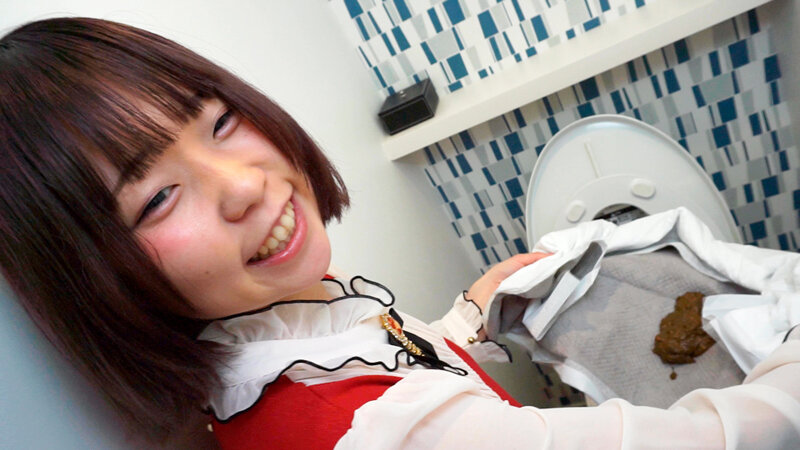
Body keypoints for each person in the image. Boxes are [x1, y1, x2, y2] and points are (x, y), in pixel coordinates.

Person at [0, 17, 797, 449]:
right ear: (91, 275)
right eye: (157, 199)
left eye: (220, 121)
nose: (245, 185)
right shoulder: (381, 433)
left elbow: (380, 355)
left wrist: (468, 315)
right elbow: (726, 437)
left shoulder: (275, 336)